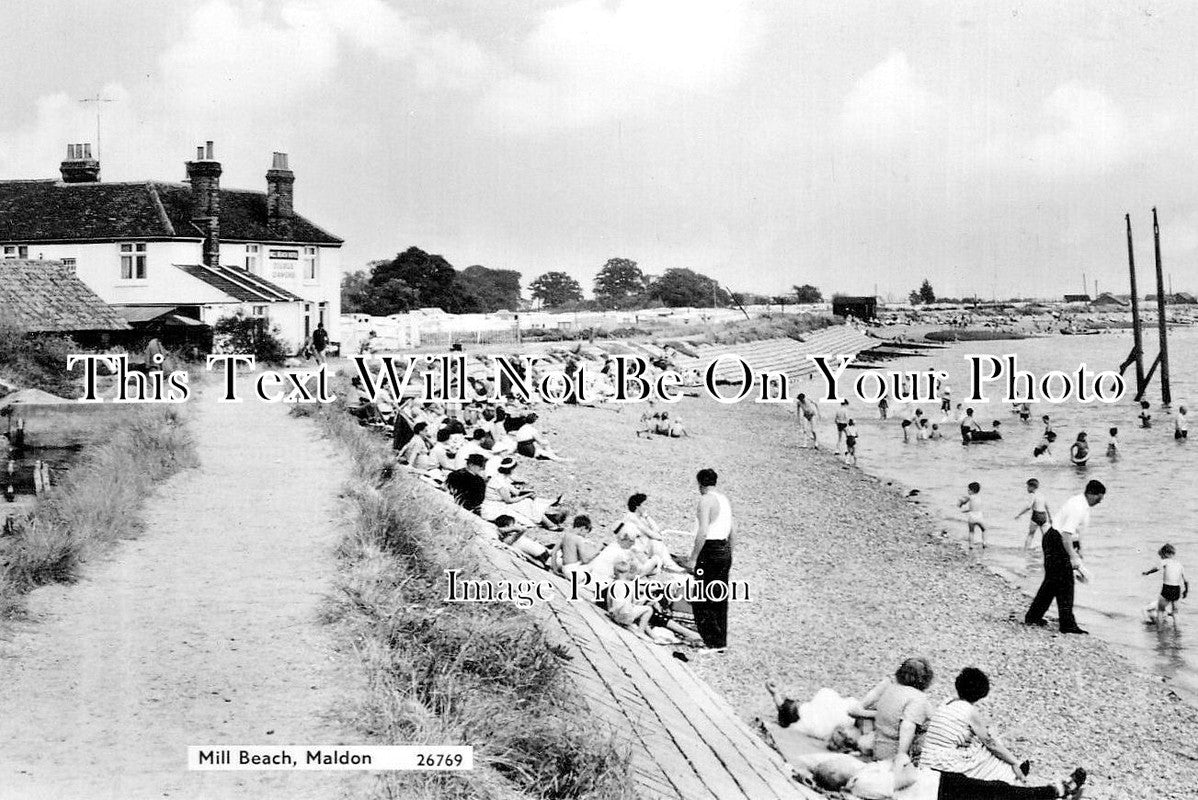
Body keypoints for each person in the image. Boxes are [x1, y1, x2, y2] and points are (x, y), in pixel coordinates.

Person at [922, 668, 1087, 799]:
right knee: (994, 776)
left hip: (929, 767)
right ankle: (1048, 788)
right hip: (945, 771)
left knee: (994, 784)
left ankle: (1037, 785)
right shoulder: (970, 712)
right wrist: (1014, 761)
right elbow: (991, 744)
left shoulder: (947, 703)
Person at [1025, 479, 1106, 634]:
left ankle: (1033, 617)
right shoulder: (1078, 507)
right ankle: (1067, 624)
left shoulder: (1082, 503)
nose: (1100, 501)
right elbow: (1066, 534)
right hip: (1056, 541)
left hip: (1055, 539)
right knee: (1066, 583)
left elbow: (1074, 532)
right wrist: (1074, 557)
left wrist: (1078, 549)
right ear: (1091, 494)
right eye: (1099, 498)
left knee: (1052, 583)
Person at [848, 657, 934, 764]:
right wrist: (901, 757)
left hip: (879, 749)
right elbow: (907, 727)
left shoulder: (890, 689)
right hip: (894, 754)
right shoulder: (918, 698)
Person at [686, 468, 735, 650]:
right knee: (719, 597)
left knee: (701, 598)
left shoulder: (705, 500)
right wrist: (730, 553)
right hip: (724, 549)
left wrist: (693, 558)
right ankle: (720, 640)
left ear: (700, 483)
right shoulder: (724, 499)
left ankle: (711, 641)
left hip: (710, 549)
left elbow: (703, 531)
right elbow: (732, 529)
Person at [1143, 544, 1188, 625]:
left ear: (1165, 554)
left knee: (1160, 610)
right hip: (1177, 589)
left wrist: (1147, 572)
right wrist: (1186, 591)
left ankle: (1159, 630)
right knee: (1175, 612)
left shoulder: (1165, 561)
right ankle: (1177, 631)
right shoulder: (1180, 565)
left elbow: (1156, 568)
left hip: (1167, 587)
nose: (1161, 558)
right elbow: (1186, 581)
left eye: (1161, 556)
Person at [1015, 478, 1051, 550]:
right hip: (1044, 516)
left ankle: (1026, 550)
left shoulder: (1032, 494)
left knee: (1031, 534)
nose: (1027, 489)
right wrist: (1050, 518)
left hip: (1036, 515)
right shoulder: (1042, 495)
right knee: (1045, 536)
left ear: (1032, 487)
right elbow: (1047, 507)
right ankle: (1048, 550)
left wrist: (1019, 514)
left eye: (1028, 487)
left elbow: (1029, 507)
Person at [958, 482, 985, 549]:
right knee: (984, 529)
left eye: (968, 490)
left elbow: (964, 502)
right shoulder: (979, 498)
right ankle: (984, 542)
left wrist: (960, 504)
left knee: (971, 532)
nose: (968, 491)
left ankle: (971, 545)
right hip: (979, 517)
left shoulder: (970, 497)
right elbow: (975, 508)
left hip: (972, 517)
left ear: (972, 491)